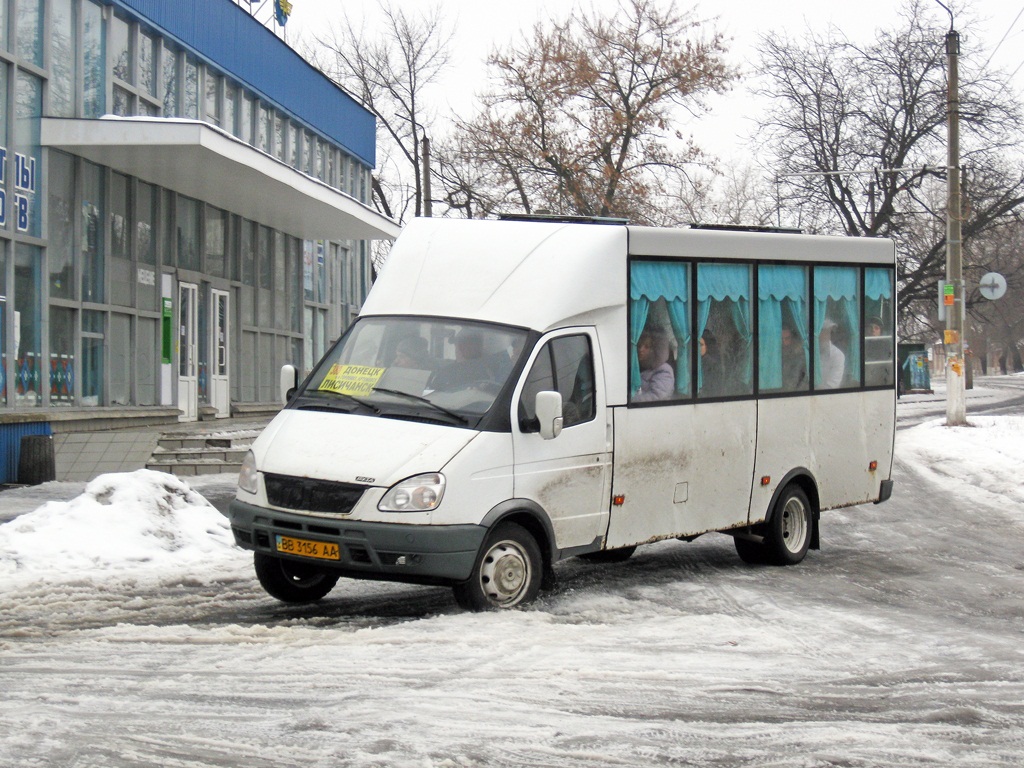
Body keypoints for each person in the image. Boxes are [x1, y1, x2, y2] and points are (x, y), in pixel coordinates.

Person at [633, 327, 674, 401]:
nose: (641, 349)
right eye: (640, 345)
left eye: (647, 347)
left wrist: (630, 399)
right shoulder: (637, 366)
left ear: (656, 349)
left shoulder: (664, 370)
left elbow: (657, 397)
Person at [818, 318, 846, 388]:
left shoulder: (838, 356)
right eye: (823, 331)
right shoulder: (806, 352)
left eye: (828, 332)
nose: (826, 335)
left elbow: (832, 385)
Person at [698, 329, 725, 397]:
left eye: (701, 345)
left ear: (707, 346)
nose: (698, 348)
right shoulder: (690, 362)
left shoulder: (713, 365)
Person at [780, 326, 807, 390]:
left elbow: (794, 382)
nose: (784, 342)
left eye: (787, 338)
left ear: (792, 339)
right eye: (781, 339)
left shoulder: (799, 357)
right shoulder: (773, 356)